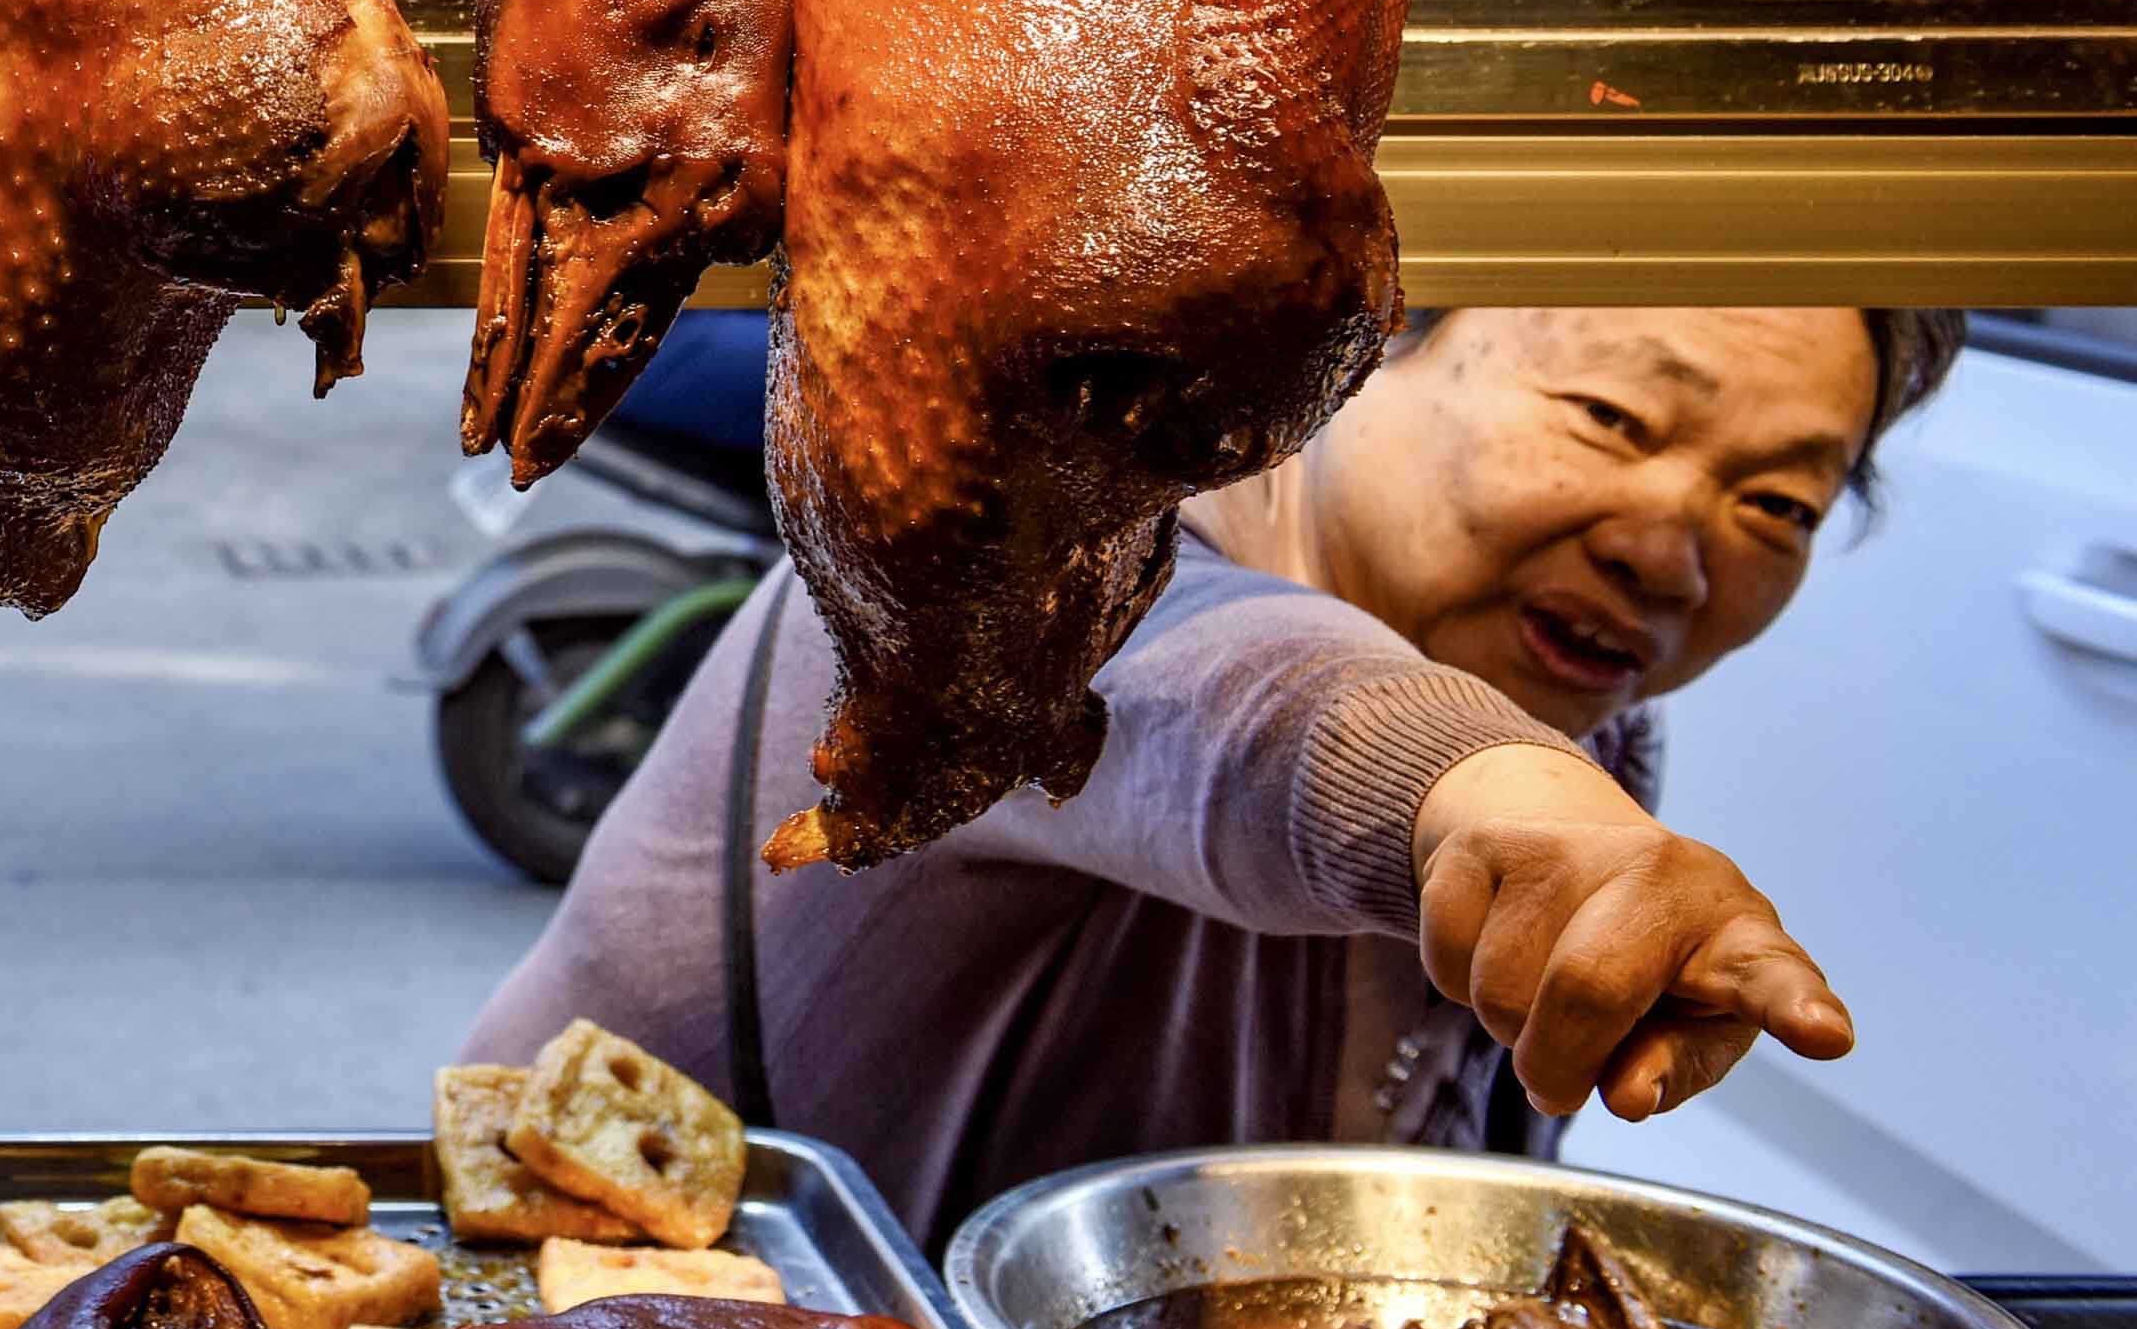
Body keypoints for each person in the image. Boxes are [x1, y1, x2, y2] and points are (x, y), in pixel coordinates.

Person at [464, 305, 1961, 1245]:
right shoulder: (1001, 588)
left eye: (1777, 502)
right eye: (1611, 419)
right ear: (1364, 347)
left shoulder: (1582, 714)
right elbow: (1234, 714)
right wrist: (1505, 794)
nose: (1669, 550)